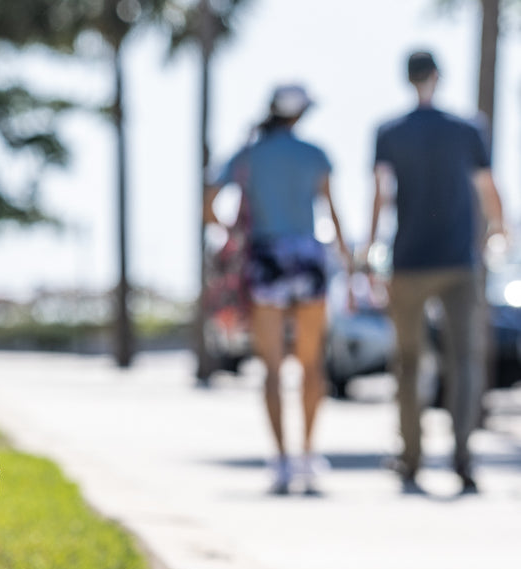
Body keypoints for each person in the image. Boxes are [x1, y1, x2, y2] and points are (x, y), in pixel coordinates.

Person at [367, 50, 506, 495]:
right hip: (458, 264)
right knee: (465, 361)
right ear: (438, 76)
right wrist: (497, 236)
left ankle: (411, 459)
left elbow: (379, 195)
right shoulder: (468, 129)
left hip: (407, 262)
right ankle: (463, 459)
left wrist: (372, 253)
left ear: (406, 79)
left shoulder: (389, 132)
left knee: (407, 363)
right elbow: (488, 189)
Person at [205, 84, 350, 495]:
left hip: (265, 258)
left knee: (270, 366)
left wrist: (227, 238)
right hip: (308, 258)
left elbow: (209, 200)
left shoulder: (249, 154)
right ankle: (306, 455)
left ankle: (282, 460)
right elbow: (332, 212)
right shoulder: (315, 154)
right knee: (311, 363)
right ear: (300, 115)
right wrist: (348, 263)